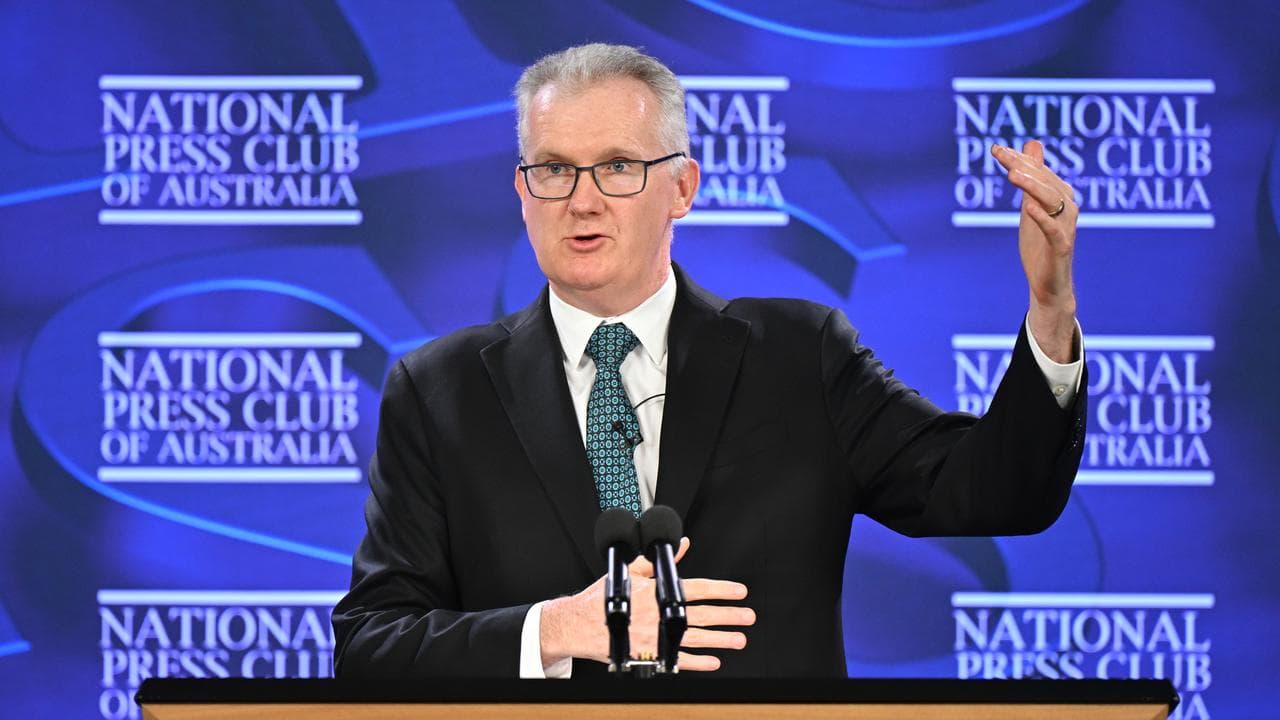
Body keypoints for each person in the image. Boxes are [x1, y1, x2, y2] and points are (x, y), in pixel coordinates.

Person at [332, 43, 1085, 679]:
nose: (582, 201)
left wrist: (1051, 309)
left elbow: (998, 492)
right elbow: (370, 646)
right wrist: (552, 631)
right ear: (522, 193)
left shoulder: (800, 357)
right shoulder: (441, 392)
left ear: (682, 187)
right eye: (554, 170)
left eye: (618, 166)